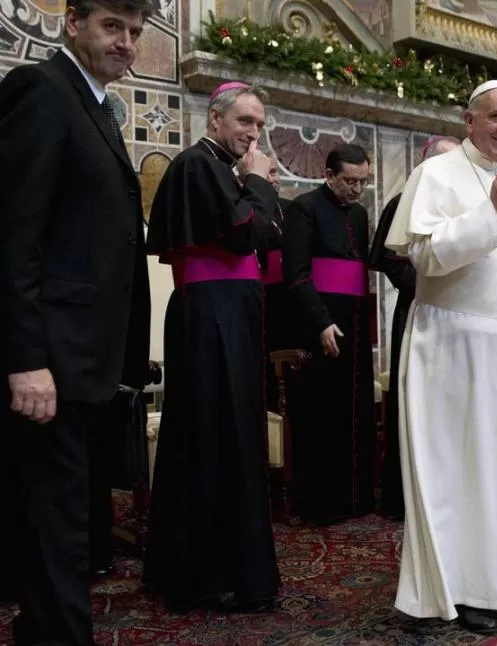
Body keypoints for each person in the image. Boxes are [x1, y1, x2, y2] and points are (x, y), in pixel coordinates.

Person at [0, 0, 153, 642]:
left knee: (62, 519)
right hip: (51, 359)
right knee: (56, 522)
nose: (126, 43)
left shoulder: (93, 103)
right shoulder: (42, 89)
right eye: (112, 27)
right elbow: (13, 236)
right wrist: (25, 358)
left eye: (136, 33)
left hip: (85, 357)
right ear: (73, 24)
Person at [384, 80, 497, 635]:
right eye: (496, 118)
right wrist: (491, 209)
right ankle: (454, 589)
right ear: (470, 120)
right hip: (454, 345)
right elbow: (426, 259)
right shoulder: (435, 175)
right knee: (457, 472)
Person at [143, 81, 280, 612]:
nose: (253, 133)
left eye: (260, 124)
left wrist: (251, 185)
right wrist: (259, 182)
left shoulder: (220, 169)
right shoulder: (201, 165)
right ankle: (208, 573)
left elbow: (265, 235)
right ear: (214, 121)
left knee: (229, 434)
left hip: (226, 312)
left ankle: (217, 565)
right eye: (244, 121)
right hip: (212, 316)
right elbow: (247, 232)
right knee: (214, 436)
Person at [283, 143, 377, 523]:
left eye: (363, 182)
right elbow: (297, 274)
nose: (356, 189)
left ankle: (357, 499)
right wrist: (321, 321)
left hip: (354, 320)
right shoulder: (304, 208)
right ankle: (321, 504)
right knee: (323, 415)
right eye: (349, 181)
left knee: (357, 411)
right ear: (329, 175)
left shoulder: (359, 213)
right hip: (320, 322)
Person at [368, 134, 459, 520]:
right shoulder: (402, 203)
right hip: (419, 308)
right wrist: (427, 279)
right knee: (416, 401)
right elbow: (387, 258)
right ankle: (406, 498)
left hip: (457, 311)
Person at [257, 155, 295, 411]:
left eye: (275, 172)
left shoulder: (291, 209)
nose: (273, 179)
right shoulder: (249, 207)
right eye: (267, 173)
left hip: (290, 299)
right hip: (260, 299)